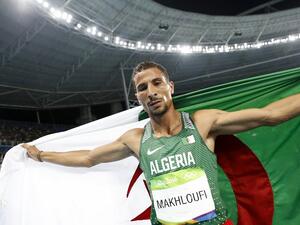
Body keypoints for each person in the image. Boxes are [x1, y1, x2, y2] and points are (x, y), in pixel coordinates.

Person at [22, 61, 300, 225]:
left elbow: (270, 115)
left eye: (157, 83)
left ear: (171, 87)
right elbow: (89, 158)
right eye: (143, 88)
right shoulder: (136, 139)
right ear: (138, 98)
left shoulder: (202, 123)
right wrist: (42, 155)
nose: (151, 91)